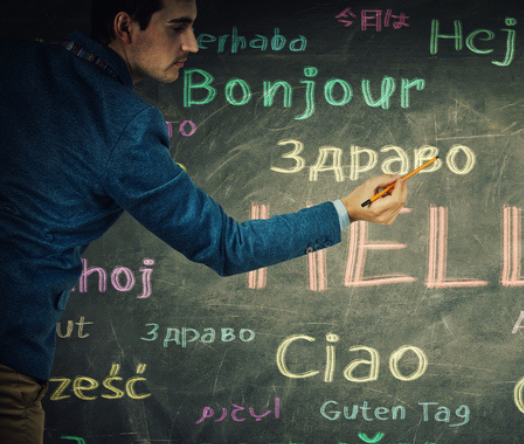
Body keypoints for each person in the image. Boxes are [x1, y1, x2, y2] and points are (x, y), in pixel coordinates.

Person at [0, 0, 409, 442]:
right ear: (125, 26)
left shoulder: (12, 60)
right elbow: (227, 245)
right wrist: (347, 209)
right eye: (178, 27)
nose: (192, 44)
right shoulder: (124, 125)